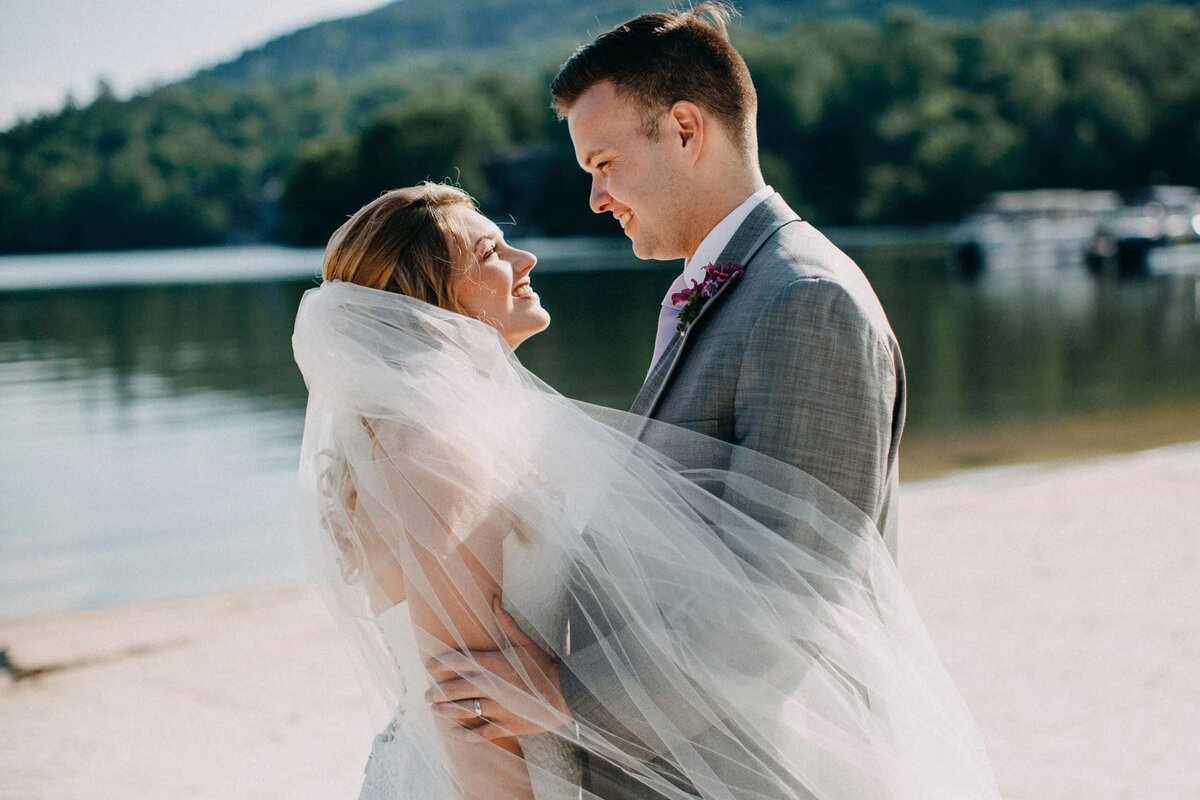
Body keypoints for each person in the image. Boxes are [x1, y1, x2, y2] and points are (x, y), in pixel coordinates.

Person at [293, 183, 998, 800]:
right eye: (489, 254)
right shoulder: (434, 460)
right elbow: (474, 718)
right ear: (431, 300)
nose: (523, 261)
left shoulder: (453, 440)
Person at [436, 5, 907, 798]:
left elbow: (784, 600)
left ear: (686, 130)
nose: (596, 197)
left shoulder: (805, 301)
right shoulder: (736, 289)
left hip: (758, 770)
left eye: (606, 162)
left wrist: (562, 701)